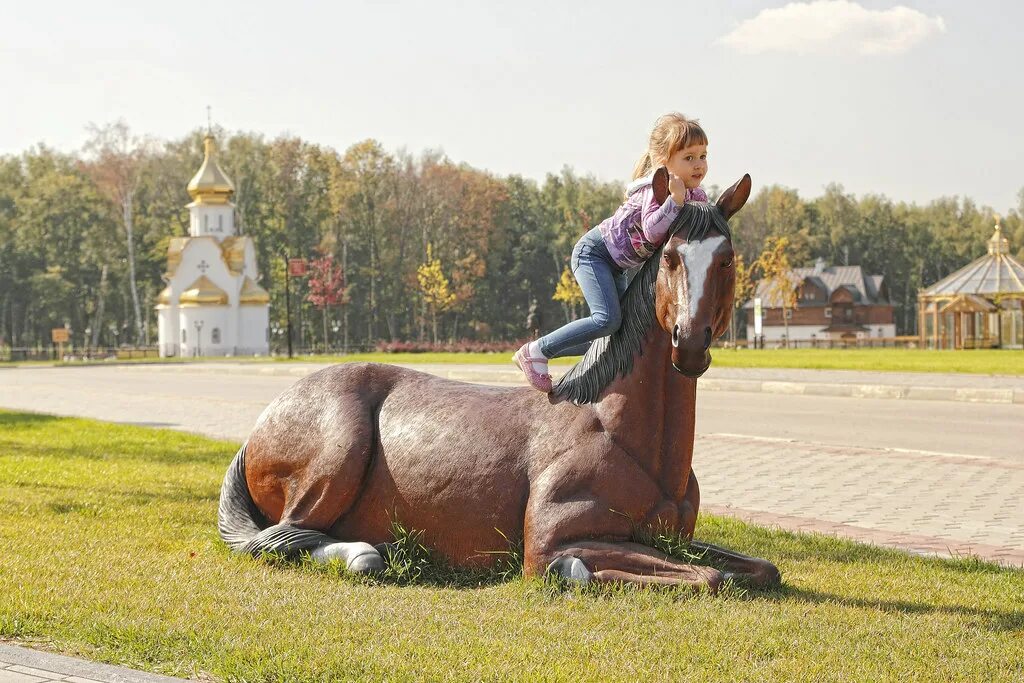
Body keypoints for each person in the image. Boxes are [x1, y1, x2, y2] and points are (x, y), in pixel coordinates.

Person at [513, 113, 710, 392]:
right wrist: (675, 203)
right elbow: (652, 231)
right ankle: (536, 351)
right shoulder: (655, 190)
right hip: (594, 254)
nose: (699, 165)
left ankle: (592, 373)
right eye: (688, 158)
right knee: (606, 320)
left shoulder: (695, 196)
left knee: (620, 331)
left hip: (617, 265)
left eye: (702, 156)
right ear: (663, 162)